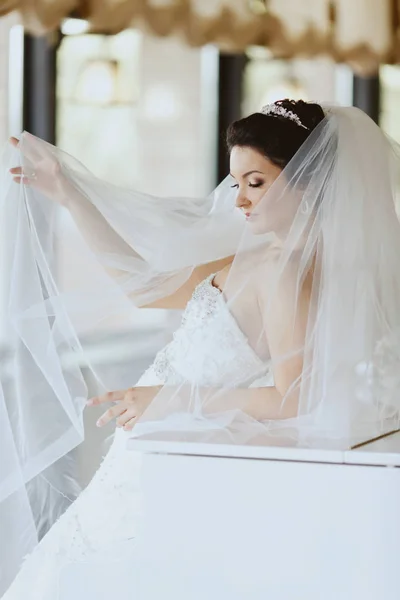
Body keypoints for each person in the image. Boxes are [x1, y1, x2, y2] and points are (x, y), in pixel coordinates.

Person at [1, 99, 400, 598]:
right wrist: (70, 196)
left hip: (174, 459)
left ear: (309, 180)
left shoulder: (285, 278)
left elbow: (293, 399)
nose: (239, 201)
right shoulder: (259, 259)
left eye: (256, 182)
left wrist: (168, 397)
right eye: (237, 184)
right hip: (147, 457)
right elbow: (141, 289)